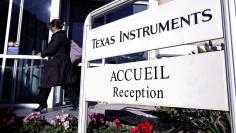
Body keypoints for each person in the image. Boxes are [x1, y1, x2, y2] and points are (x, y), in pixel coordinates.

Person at [33, 19, 79, 112]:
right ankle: (75, 103)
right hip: (60, 64)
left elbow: (52, 49)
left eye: (50, 26)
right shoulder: (61, 36)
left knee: (47, 83)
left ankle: (42, 104)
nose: (50, 28)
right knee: (66, 83)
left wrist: (42, 53)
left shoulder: (58, 36)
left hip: (57, 64)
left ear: (54, 26)